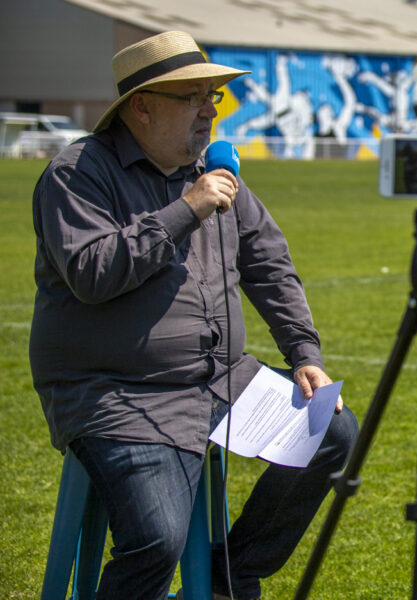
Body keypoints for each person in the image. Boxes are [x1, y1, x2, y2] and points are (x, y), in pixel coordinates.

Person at [30, 31, 358, 600]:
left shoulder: (212, 172)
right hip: (116, 393)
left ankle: (230, 578)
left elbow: (270, 266)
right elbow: (91, 273)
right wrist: (187, 210)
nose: (210, 109)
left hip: (218, 380)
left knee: (331, 428)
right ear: (142, 106)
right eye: (194, 96)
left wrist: (304, 355)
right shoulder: (77, 172)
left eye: (214, 96)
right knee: (158, 538)